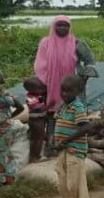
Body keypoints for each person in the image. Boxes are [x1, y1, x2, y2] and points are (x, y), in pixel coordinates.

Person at [34, 15, 97, 148]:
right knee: (52, 114)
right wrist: (46, 82)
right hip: (51, 85)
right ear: (53, 26)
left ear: (70, 27)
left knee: (75, 112)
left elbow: (90, 61)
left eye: (66, 25)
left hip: (72, 85)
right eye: (59, 25)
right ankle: (52, 143)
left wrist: (83, 79)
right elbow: (40, 63)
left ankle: (73, 143)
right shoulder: (45, 42)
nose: (62, 28)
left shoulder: (77, 43)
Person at [54, 75, 95, 198]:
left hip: (75, 152)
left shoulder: (77, 107)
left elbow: (86, 128)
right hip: (63, 151)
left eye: (69, 91)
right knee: (63, 186)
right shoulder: (63, 107)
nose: (64, 93)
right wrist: (54, 140)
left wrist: (66, 141)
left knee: (75, 186)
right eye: (62, 90)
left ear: (78, 91)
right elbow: (56, 123)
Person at [24, 77, 47, 163]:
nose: (43, 89)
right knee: (38, 139)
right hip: (36, 120)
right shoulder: (30, 98)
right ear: (31, 89)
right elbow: (38, 108)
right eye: (40, 88)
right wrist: (49, 105)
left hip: (37, 120)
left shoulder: (37, 95)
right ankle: (35, 157)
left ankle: (34, 156)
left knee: (36, 138)